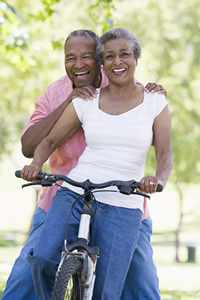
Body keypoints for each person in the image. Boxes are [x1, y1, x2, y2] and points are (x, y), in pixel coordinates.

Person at [1, 30, 167, 300]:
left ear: (99, 60)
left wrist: (152, 98)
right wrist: (71, 99)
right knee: (26, 275)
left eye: (87, 56)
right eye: (71, 57)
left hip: (122, 197)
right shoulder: (56, 93)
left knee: (142, 285)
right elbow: (30, 146)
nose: (78, 64)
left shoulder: (129, 90)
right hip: (63, 195)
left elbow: (152, 140)